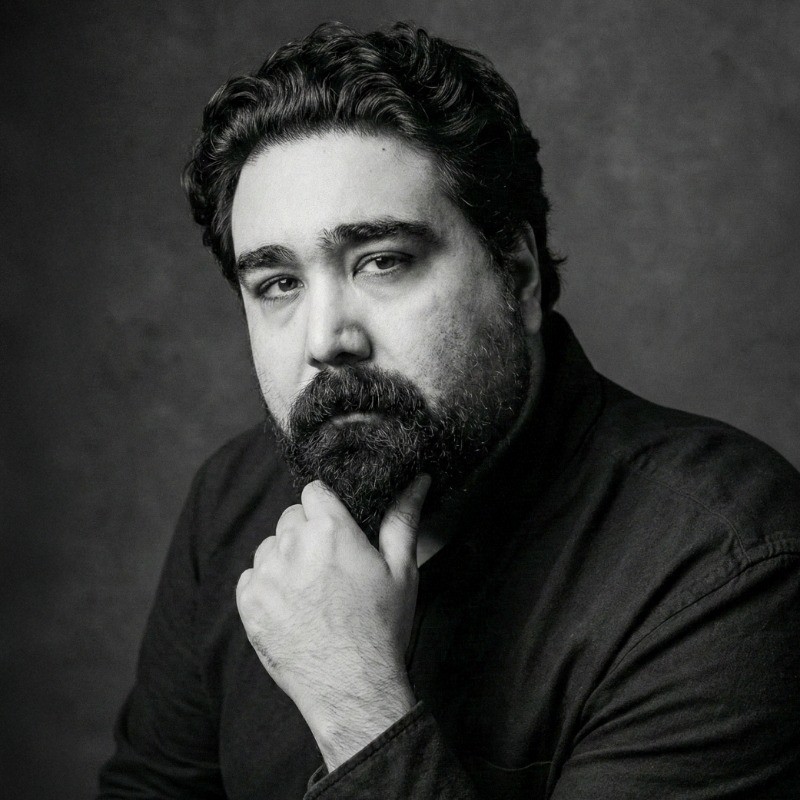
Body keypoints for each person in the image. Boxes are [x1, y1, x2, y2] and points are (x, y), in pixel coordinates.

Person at [97, 22, 800, 800]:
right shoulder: (232, 501)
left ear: (518, 275)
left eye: (382, 262)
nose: (326, 340)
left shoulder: (728, 565)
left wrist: (353, 701)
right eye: (278, 284)